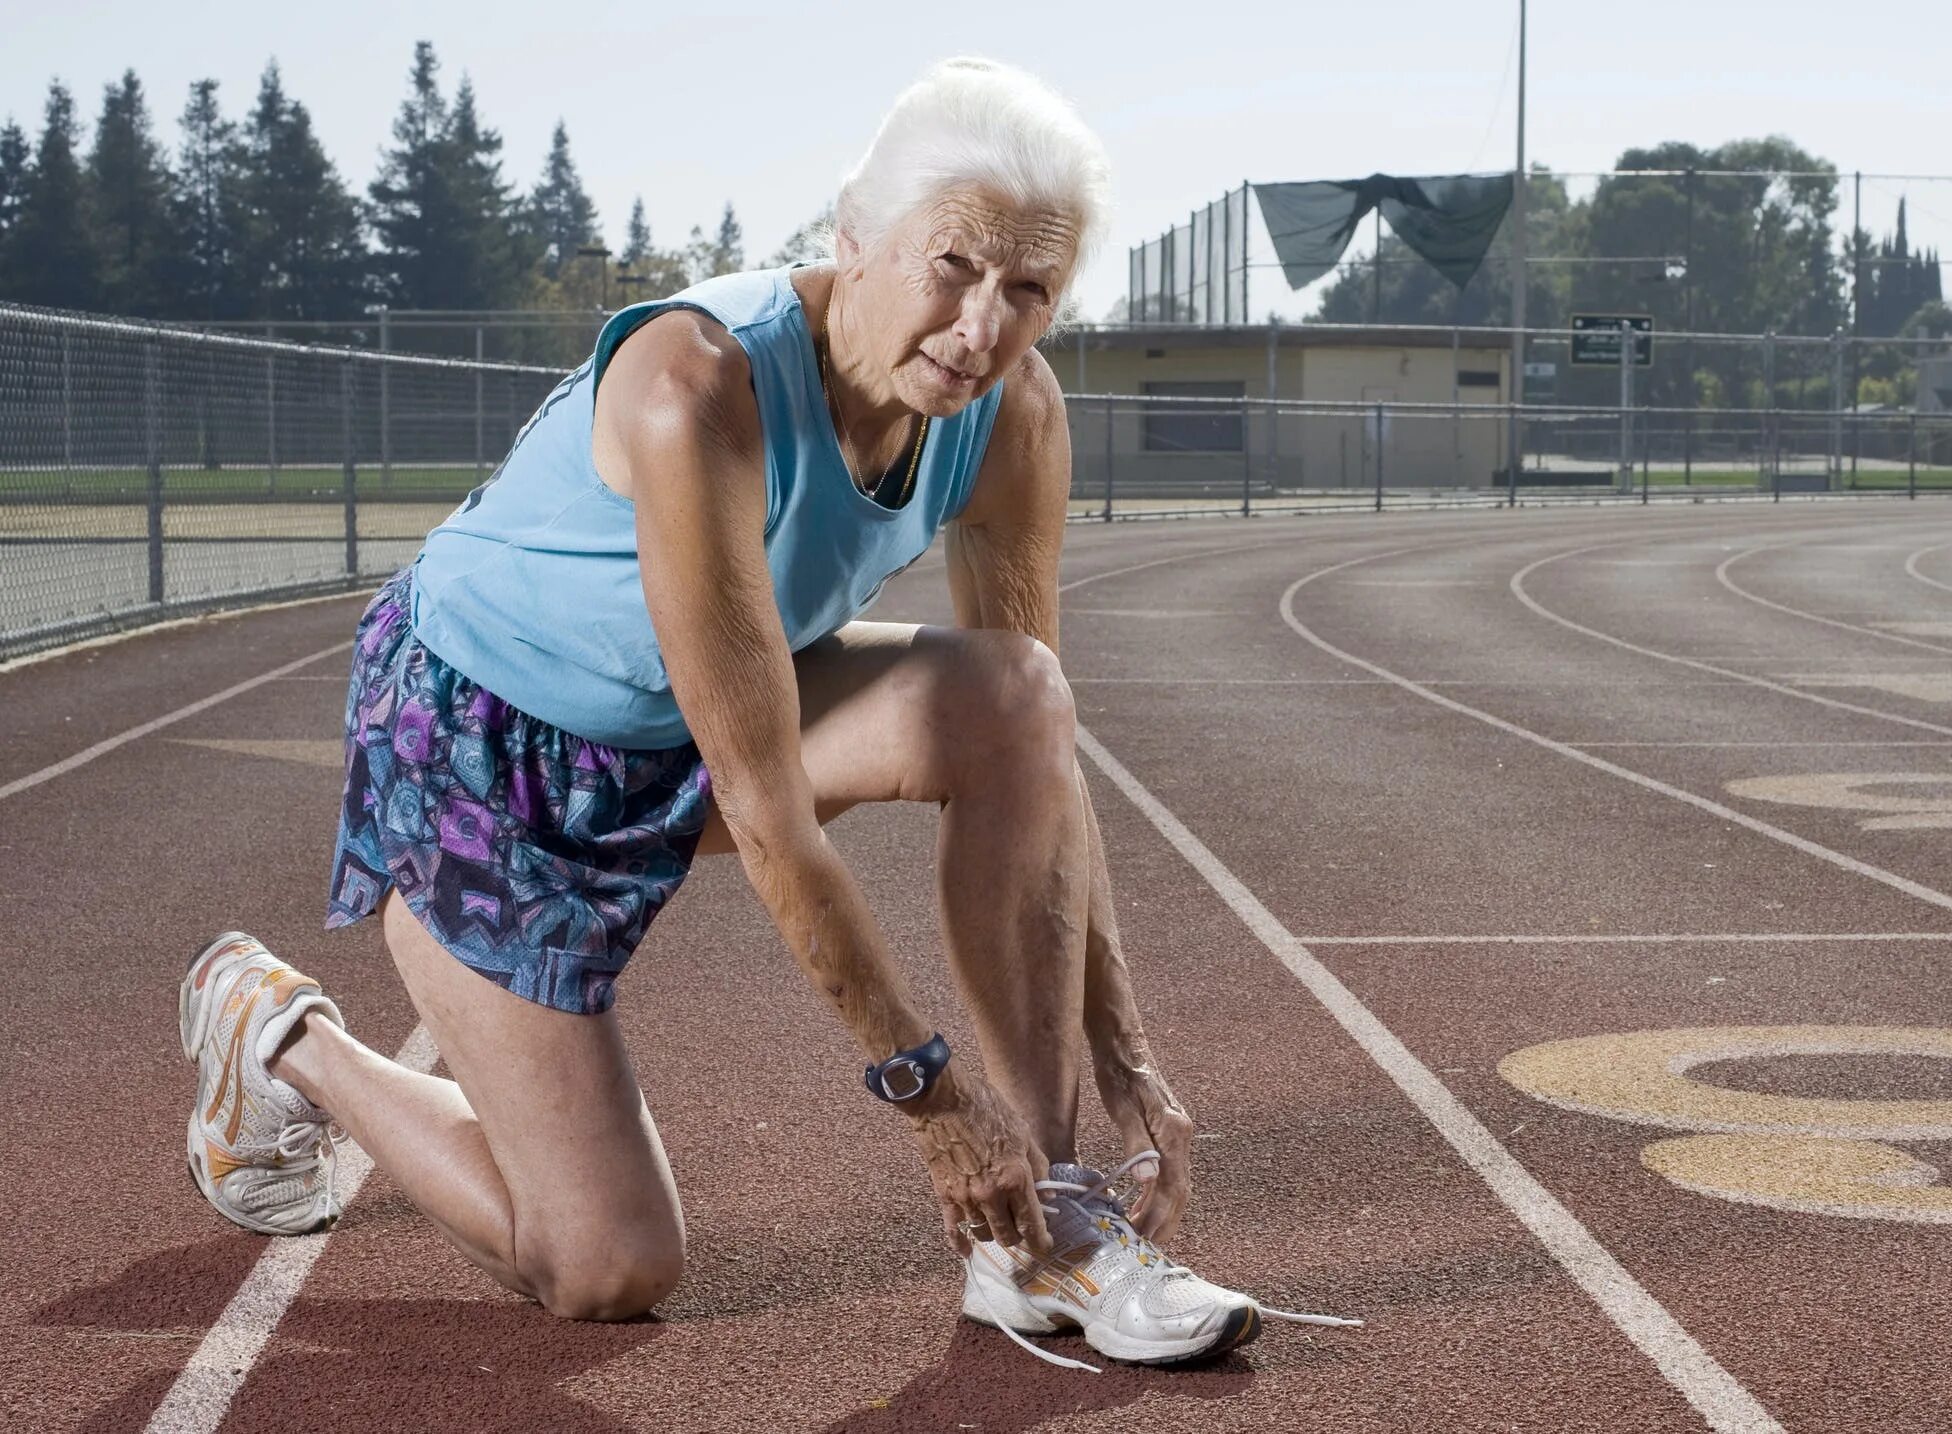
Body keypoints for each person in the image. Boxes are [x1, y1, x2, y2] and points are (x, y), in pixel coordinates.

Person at [178, 57, 1343, 1370]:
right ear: (855, 238)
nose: (980, 325)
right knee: (606, 1266)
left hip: (686, 724)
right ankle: (282, 1031)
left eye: (1029, 290)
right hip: (487, 754)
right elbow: (767, 808)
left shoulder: (1010, 412)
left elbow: (1043, 774)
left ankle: (1053, 1237)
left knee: (1019, 697)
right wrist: (937, 1100)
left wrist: (1124, 1062)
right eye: (953, 265)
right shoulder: (697, 388)